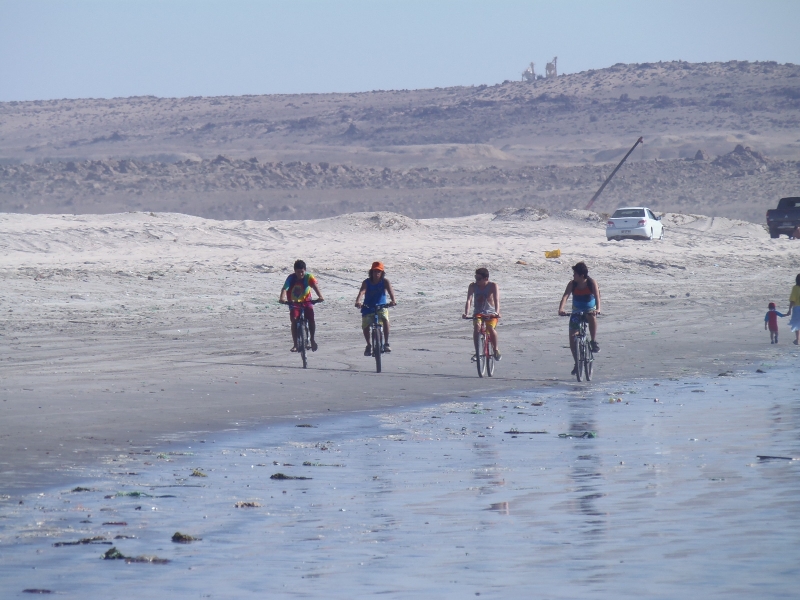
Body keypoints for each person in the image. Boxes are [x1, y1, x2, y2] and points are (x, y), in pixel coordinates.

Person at [558, 262, 601, 375]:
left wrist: (598, 309)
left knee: (591, 316)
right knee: (572, 337)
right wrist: (561, 309)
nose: (573, 276)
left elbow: (597, 297)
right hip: (576, 311)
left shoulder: (592, 283)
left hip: (590, 310)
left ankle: (593, 341)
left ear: (582, 275)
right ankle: (577, 363)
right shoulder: (572, 284)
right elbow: (565, 296)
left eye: (575, 274)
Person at [279, 260, 324, 352]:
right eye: (298, 272)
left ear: (305, 270)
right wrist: (282, 298)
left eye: (302, 272)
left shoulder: (308, 277)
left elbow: (315, 286)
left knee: (311, 319)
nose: (300, 274)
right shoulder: (291, 278)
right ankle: (295, 344)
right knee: (294, 320)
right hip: (294, 302)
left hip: (307, 302)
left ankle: (312, 339)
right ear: (294, 271)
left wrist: (320, 296)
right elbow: (284, 289)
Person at [355, 261, 396, 355]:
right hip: (368, 307)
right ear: (371, 272)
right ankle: (368, 345)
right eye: (374, 271)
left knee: (385, 319)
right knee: (365, 326)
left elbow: (390, 291)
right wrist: (358, 302)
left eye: (379, 271)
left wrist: (393, 301)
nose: (376, 273)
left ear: (382, 273)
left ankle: (386, 343)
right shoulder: (366, 282)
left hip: (381, 307)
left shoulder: (385, 282)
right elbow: (362, 292)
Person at [463, 267, 501, 360]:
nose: (477, 281)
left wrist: (497, 312)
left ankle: (496, 350)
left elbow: (497, 301)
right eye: (476, 278)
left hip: (491, 313)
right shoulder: (472, 286)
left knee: (490, 328)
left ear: (486, 278)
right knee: (477, 328)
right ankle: (477, 352)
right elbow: (469, 300)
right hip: (478, 312)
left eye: (479, 279)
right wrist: (466, 313)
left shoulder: (493, 286)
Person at [788, 273, 800, 346]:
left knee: (797, 324)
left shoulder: (795, 288)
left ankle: (797, 340)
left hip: (797, 308)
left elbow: (792, 300)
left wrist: (789, 309)